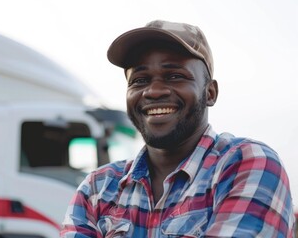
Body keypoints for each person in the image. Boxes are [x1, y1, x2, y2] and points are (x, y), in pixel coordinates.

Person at [60, 20, 295, 237]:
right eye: (140, 80)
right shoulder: (98, 188)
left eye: (174, 76)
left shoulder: (246, 164)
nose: (153, 91)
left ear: (210, 92)